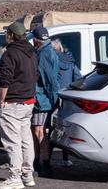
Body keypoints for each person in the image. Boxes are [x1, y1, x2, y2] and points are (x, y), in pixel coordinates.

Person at [0, 22, 38, 189]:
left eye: (7, 33)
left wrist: (1, 100)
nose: (6, 36)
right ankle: (27, 175)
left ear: (11, 35)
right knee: (26, 140)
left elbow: (4, 80)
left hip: (12, 102)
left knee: (12, 142)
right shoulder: (31, 52)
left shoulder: (11, 53)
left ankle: (15, 178)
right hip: (28, 101)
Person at [30, 26, 60, 177]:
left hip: (42, 99)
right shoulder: (46, 51)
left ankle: (43, 163)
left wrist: (54, 100)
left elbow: (50, 81)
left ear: (36, 40)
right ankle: (38, 161)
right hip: (43, 98)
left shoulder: (44, 54)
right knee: (38, 130)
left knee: (39, 131)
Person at [53, 38, 81, 167]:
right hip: (67, 97)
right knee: (64, 128)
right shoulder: (70, 61)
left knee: (51, 127)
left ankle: (46, 158)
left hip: (54, 96)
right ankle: (65, 158)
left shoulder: (51, 60)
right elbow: (78, 78)